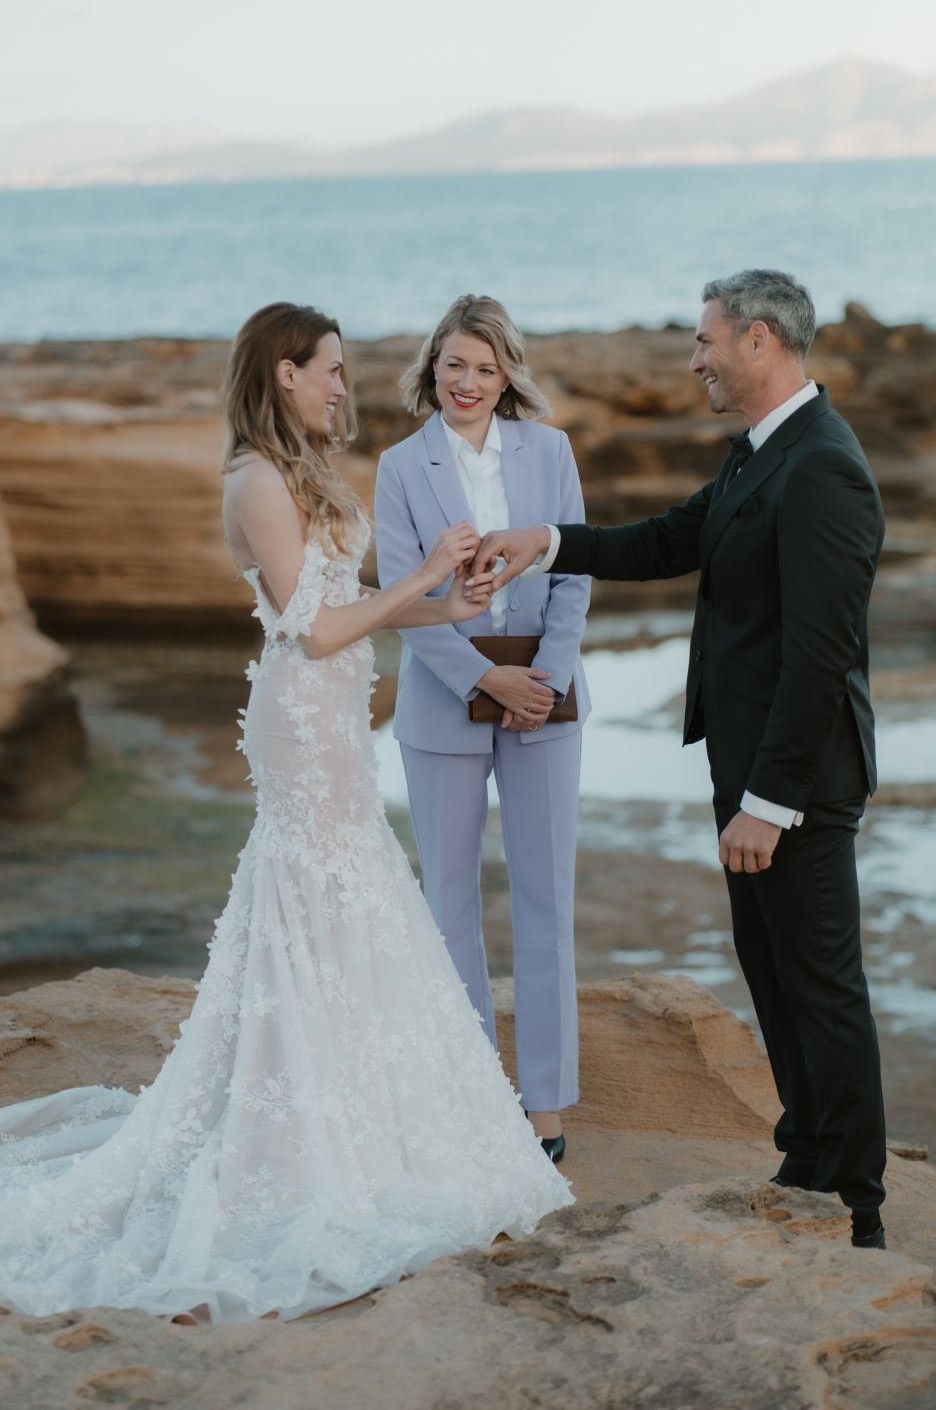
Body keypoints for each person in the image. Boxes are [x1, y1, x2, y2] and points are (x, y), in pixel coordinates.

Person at [0, 302, 571, 1326]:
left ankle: (353, 1099)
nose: (344, 386)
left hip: (337, 711)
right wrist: (427, 578)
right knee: (315, 888)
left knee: (350, 893)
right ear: (285, 370)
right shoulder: (252, 480)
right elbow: (311, 632)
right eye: (332, 370)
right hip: (305, 714)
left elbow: (359, 600)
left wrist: (454, 599)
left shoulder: (296, 466)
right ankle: (297, 1120)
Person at [471, 269, 889, 1248]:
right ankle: (806, 1159)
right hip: (746, 774)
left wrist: (770, 802)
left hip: (795, 786)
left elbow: (820, 654)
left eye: (703, 341)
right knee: (772, 974)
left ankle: (856, 1209)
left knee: (821, 991)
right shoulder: (759, 456)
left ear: (756, 341)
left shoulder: (821, 468)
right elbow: (669, 539)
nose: (691, 359)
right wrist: (544, 542)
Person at [374, 295, 590, 1163]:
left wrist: (546, 677)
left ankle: (545, 1103)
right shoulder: (399, 466)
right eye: (454, 364)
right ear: (433, 366)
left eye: (486, 368)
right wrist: (480, 673)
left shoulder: (552, 450)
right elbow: (401, 595)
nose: (467, 383)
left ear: (509, 377)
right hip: (441, 701)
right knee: (450, 906)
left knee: (546, 903)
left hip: (544, 700)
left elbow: (573, 568)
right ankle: (471, 1094)